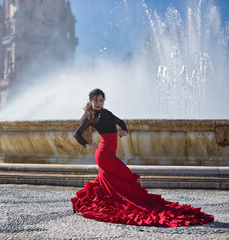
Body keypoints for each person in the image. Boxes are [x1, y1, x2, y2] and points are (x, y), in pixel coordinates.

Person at [71, 88, 214, 227]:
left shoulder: (106, 112)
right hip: (103, 155)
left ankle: (80, 202)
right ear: (90, 101)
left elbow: (121, 122)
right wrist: (88, 144)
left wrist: (124, 131)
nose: (98, 103)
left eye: (101, 100)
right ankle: (131, 201)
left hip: (110, 153)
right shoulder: (92, 117)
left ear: (104, 101)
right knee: (126, 175)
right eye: (95, 100)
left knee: (105, 182)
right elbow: (77, 134)